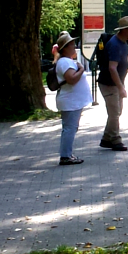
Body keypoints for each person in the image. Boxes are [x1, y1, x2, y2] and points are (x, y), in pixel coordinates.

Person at [52, 32, 92, 165]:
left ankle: (67, 154)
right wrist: (81, 69)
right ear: (66, 48)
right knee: (70, 128)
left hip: (72, 101)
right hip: (70, 102)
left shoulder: (66, 61)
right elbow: (71, 79)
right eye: (72, 45)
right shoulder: (64, 62)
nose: (75, 47)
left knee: (70, 127)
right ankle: (65, 156)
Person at [98, 16, 128, 151]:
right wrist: (121, 88)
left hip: (115, 83)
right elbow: (112, 68)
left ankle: (106, 138)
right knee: (115, 113)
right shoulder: (115, 44)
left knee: (117, 112)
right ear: (124, 30)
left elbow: (117, 64)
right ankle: (115, 139)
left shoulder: (122, 43)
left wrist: (127, 64)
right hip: (109, 84)